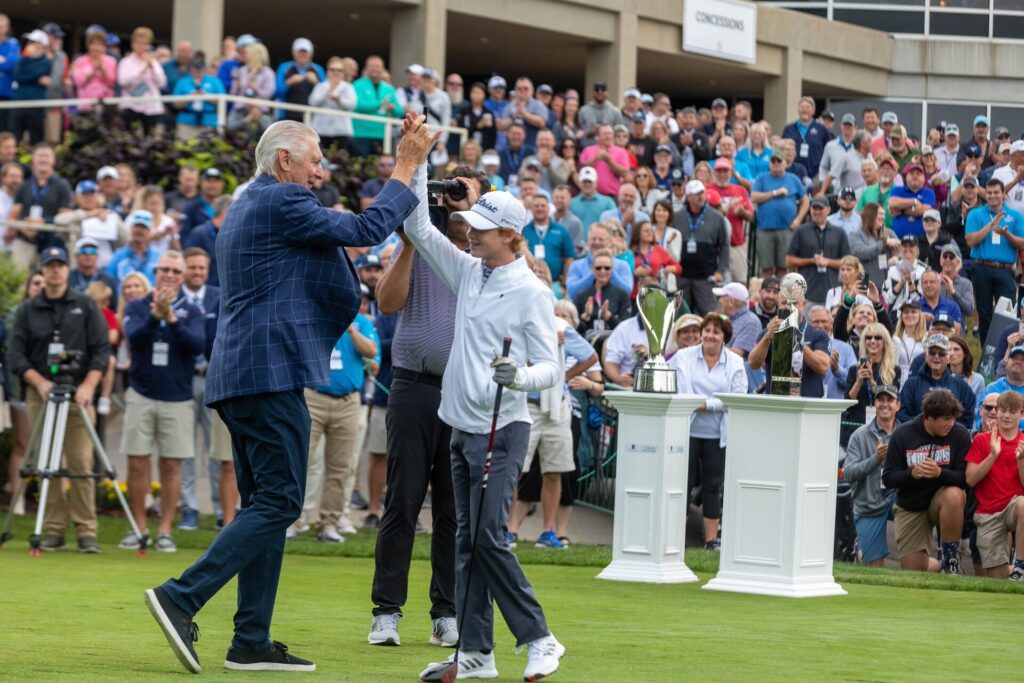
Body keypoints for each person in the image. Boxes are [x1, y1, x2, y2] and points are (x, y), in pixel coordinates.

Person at [143, 118, 432, 674]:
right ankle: (181, 596)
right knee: (279, 502)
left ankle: (250, 640)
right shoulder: (280, 200)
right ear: (284, 161)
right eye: (315, 160)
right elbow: (368, 227)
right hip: (266, 374)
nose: (321, 171)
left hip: (245, 374)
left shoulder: (251, 202)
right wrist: (406, 164)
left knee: (266, 506)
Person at [399, 150, 565, 682]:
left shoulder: (532, 292)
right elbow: (418, 228)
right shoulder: (470, 271)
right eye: (470, 225)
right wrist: (417, 163)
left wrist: (519, 376)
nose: (470, 233)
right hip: (461, 428)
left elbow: (551, 369)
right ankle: (475, 653)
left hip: (502, 430)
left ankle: (539, 637)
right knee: (467, 545)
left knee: (488, 538)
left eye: (482, 229)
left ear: (511, 236)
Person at [367, 167, 488, 649]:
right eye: (448, 191)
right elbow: (386, 302)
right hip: (414, 387)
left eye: (464, 192)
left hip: (462, 392)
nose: (453, 200)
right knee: (402, 500)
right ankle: (386, 611)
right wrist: (412, 242)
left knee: (452, 510)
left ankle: (446, 612)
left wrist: (471, 214)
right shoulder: (420, 246)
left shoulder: (486, 260)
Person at [7, 247, 110, 552]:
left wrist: (89, 385)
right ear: (41, 270)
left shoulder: (85, 304)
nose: (55, 270)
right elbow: (16, 355)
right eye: (50, 265)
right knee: (46, 461)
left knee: (80, 461)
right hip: (41, 393)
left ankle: (86, 530)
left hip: (79, 394)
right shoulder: (27, 310)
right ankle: (53, 529)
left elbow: (101, 350)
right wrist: (39, 382)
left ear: (67, 269)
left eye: (60, 265)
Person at [118, 251, 205, 553]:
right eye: (164, 269)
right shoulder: (137, 305)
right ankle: (138, 528)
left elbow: (197, 345)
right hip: (141, 393)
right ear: (155, 273)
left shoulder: (192, 310)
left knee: (171, 465)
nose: (169, 274)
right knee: (136, 463)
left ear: (182, 276)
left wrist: (172, 320)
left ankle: (165, 530)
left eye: (175, 271)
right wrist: (156, 316)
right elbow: (134, 339)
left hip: (177, 398)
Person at [669, 313, 747, 550]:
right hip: (686, 431)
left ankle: (711, 541)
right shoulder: (683, 356)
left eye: (716, 332)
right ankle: (675, 539)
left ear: (725, 337)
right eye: (707, 330)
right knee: (682, 484)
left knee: (713, 486)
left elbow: (736, 398)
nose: (710, 336)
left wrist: (707, 404)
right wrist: (696, 403)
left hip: (717, 436)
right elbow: (673, 385)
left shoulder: (735, 362)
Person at [883, 390, 970, 573]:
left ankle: (950, 559)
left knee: (954, 494)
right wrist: (911, 474)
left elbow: (965, 479)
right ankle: (940, 565)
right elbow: (888, 478)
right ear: (929, 417)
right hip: (911, 506)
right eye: (946, 419)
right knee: (914, 571)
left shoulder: (960, 434)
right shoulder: (903, 434)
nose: (951, 424)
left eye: (953, 419)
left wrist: (940, 473)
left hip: (942, 500)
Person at [965, 390, 1024, 580]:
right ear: (997, 412)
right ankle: (1014, 570)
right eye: (1002, 410)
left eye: (1012, 411)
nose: (1006, 415)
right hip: (988, 514)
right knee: (997, 577)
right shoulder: (982, 439)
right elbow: (970, 480)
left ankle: (1020, 566)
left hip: (1014, 507)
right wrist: (992, 455)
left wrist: (1021, 461)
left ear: (1021, 414)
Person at [842, 384, 901, 566]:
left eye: (890, 400)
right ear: (874, 404)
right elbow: (848, 474)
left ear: (898, 405)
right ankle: (860, 544)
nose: (885, 404)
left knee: (914, 564)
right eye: (880, 400)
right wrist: (875, 459)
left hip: (898, 500)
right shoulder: (859, 435)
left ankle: (944, 560)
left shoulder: (906, 434)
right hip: (869, 504)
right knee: (875, 566)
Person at [966, 178, 1024, 343]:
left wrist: (1006, 234)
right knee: (984, 313)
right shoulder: (975, 214)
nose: (992, 196)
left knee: (1007, 314)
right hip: (981, 267)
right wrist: (990, 225)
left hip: (1005, 269)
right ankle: (986, 353)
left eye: (996, 192)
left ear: (1003, 194)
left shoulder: (1015, 215)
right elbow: (970, 241)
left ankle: (1005, 351)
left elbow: (1022, 243)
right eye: (989, 193)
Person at [748, 287, 832, 398]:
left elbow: (823, 367)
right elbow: (753, 364)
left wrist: (795, 338)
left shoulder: (818, 334)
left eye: (794, 303)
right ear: (778, 304)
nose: (789, 307)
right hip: (776, 402)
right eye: (784, 303)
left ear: (804, 304)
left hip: (808, 403)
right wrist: (767, 338)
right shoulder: (768, 332)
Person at [8, 145, 73, 269]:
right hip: (25, 241)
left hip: (51, 242)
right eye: (40, 156)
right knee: (18, 276)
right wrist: (24, 227)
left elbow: (66, 215)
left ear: (53, 161)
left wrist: (44, 222)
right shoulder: (24, 185)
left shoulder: (62, 185)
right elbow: (13, 215)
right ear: (33, 160)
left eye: (47, 156)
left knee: (46, 277)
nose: (43, 159)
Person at [898, 334, 975, 430]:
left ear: (948, 357)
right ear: (926, 356)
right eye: (932, 353)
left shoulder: (962, 387)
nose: (936, 356)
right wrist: (925, 425)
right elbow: (901, 414)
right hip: (918, 436)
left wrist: (946, 426)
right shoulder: (911, 384)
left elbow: (967, 420)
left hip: (951, 437)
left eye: (941, 353)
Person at [674, 180, 729, 315]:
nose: (700, 196)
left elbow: (724, 246)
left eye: (702, 193)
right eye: (696, 194)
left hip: (706, 277)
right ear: (688, 197)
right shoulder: (677, 217)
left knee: (708, 315)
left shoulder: (717, 217)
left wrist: (720, 271)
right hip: (682, 276)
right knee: (681, 315)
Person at [751, 149, 807, 277]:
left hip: (787, 229)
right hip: (765, 228)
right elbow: (754, 197)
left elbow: (805, 200)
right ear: (769, 164)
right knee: (766, 268)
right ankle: (767, 289)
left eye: (779, 161)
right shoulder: (761, 178)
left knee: (784, 267)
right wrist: (775, 193)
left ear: (785, 163)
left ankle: (782, 290)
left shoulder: (793, 179)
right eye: (773, 161)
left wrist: (798, 220)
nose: (776, 164)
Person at [786, 196, 851, 304]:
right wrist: (812, 261)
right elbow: (789, 260)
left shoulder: (839, 233)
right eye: (814, 208)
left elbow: (848, 262)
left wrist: (828, 262)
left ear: (828, 210)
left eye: (820, 208)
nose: (817, 212)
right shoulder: (801, 231)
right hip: (807, 293)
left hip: (833, 292)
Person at [351, 55, 403, 157]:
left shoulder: (389, 89)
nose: (375, 68)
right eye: (372, 66)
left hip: (383, 135)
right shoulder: (357, 85)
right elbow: (358, 105)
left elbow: (399, 112)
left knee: (380, 165)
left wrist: (392, 109)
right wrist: (380, 103)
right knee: (360, 164)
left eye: (377, 66)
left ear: (383, 69)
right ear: (366, 68)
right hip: (361, 133)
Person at [117, 27, 167, 134]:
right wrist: (142, 70)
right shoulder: (126, 62)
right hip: (131, 105)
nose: (141, 46)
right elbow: (123, 81)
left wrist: (152, 67)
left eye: (145, 43)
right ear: (133, 44)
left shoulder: (154, 62)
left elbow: (162, 83)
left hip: (151, 106)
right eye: (138, 43)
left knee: (150, 137)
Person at [565, 223, 632, 299]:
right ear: (588, 241)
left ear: (609, 242)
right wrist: (593, 273)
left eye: (601, 239)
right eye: (593, 239)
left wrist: (610, 271)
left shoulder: (623, 266)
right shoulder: (576, 265)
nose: (597, 242)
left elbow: (627, 291)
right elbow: (572, 292)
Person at [523, 194, 575, 285]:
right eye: (536, 206)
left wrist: (564, 283)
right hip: (527, 282)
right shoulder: (524, 231)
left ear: (548, 208)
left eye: (543, 206)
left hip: (555, 283)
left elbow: (569, 258)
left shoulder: (561, 231)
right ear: (531, 208)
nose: (540, 208)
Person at [171, 55, 225, 141]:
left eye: (200, 68)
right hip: (186, 121)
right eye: (195, 68)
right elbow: (175, 104)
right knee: (182, 145)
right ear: (190, 68)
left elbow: (222, 101)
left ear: (204, 68)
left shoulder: (215, 81)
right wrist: (190, 98)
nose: (197, 70)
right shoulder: (182, 82)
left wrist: (206, 96)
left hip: (209, 121)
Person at [781, 96, 833, 179]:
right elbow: (782, 151)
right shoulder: (789, 129)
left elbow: (829, 151)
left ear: (813, 111)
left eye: (807, 107)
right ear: (798, 110)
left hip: (816, 175)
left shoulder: (822, 129)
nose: (804, 110)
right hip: (792, 174)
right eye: (802, 107)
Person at [275, 38, 324, 122]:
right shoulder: (284, 67)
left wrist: (316, 83)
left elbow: (325, 94)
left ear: (311, 54)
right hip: (287, 115)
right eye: (300, 52)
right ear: (293, 52)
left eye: (305, 52)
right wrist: (289, 82)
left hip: (312, 117)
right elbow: (277, 93)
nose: (302, 55)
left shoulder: (318, 69)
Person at [107, 210, 160, 285]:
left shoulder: (158, 257)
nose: (139, 230)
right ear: (131, 229)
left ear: (150, 232)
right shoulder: (118, 256)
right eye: (136, 226)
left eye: (143, 227)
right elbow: (109, 281)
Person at [628, 221, 681, 297]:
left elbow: (678, 268)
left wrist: (671, 269)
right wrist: (635, 273)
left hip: (655, 294)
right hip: (634, 295)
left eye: (651, 230)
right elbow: (621, 273)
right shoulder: (629, 252)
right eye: (646, 231)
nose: (650, 233)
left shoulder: (659, 250)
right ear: (637, 234)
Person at [68, 236, 119, 307]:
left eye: (92, 251)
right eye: (84, 251)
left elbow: (113, 308)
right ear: (76, 256)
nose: (88, 255)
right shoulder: (68, 278)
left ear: (97, 256)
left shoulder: (108, 280)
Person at [713, 282, 760, 358]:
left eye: (722, 297)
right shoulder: (727, 318)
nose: (719, 301)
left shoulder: (750, 322)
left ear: (731, 301)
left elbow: (737, 354)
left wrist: (709, 348)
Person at [882, 236, 927, 315]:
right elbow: (887, 299)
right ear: (900, 249)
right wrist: (901, 283)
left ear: (917, 249)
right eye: (905, 246)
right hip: (895, 314)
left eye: (911, 246)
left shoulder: (923, 270)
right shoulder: (892, 269)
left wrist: (909, 281)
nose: (907, 249)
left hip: (915, 314)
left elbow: (920, 299)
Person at [918, 270, 963, 334]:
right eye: (925, 282)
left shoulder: (952, 306)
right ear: (921, 286)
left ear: (939, 284)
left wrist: (936, 320)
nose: (928, 285)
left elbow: (957, 331)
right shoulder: (915, 307)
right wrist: (920, 318)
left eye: (932, 282)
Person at [947, 335, 984, 400]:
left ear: (964, 353)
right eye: (948, 350)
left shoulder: (978, 379)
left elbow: (978, 405)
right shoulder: (940, 377)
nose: (952, 353)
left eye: (956, 349)